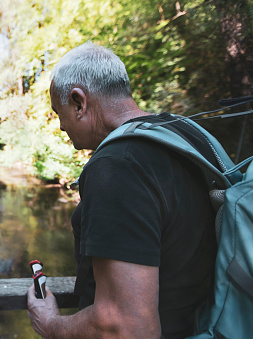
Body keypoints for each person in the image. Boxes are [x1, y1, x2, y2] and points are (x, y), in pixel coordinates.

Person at [27, 42, 218, 338]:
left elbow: (125, 327)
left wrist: (51, 324)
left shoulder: (117, 166)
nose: (62, 126)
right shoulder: (185, 134)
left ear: (79, 102)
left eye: (58, 112)